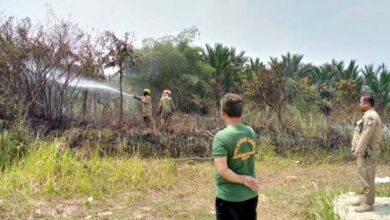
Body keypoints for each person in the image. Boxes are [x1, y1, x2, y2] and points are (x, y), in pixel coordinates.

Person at [212, 93, 261, 220]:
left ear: (222, 112)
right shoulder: (250, 131)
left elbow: (222, 170)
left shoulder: (221, 137)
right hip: (250, 195)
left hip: (229, 198)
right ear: (241, 112)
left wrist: (243, 179)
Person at [351, 95, 382, 213]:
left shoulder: (371, 117)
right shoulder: (367, 116)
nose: (359, 105)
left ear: (367, 103)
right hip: (364, 153)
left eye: (361, 102)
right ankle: (364, 198)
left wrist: (357, 151)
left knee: (368, 177)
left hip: (368, 153)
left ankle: (368, 203)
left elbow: (365, 136)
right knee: (363, 176)